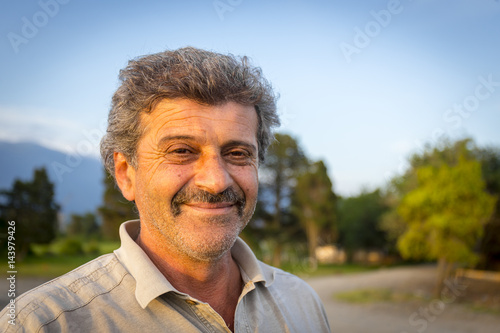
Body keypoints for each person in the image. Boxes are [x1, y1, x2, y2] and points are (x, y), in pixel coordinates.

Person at [1, 47, 331, 332]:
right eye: (181, 151)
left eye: (237, 154)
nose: (216, 181)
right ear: (126, 173)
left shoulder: (302, 303)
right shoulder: (45, 325)